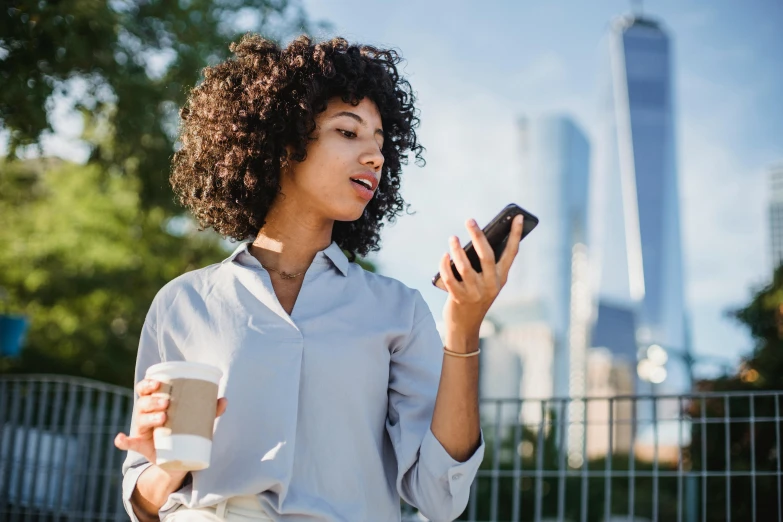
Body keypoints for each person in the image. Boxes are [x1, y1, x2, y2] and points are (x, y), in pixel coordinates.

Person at [114, 34, 524, 522]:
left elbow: (439, 498)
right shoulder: (183, 303)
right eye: (348, 133)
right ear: (285, 140)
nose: (374, 156)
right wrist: (165, 469)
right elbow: (142, 500)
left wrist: (462, 329)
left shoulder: (397, 310)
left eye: (380, 142)